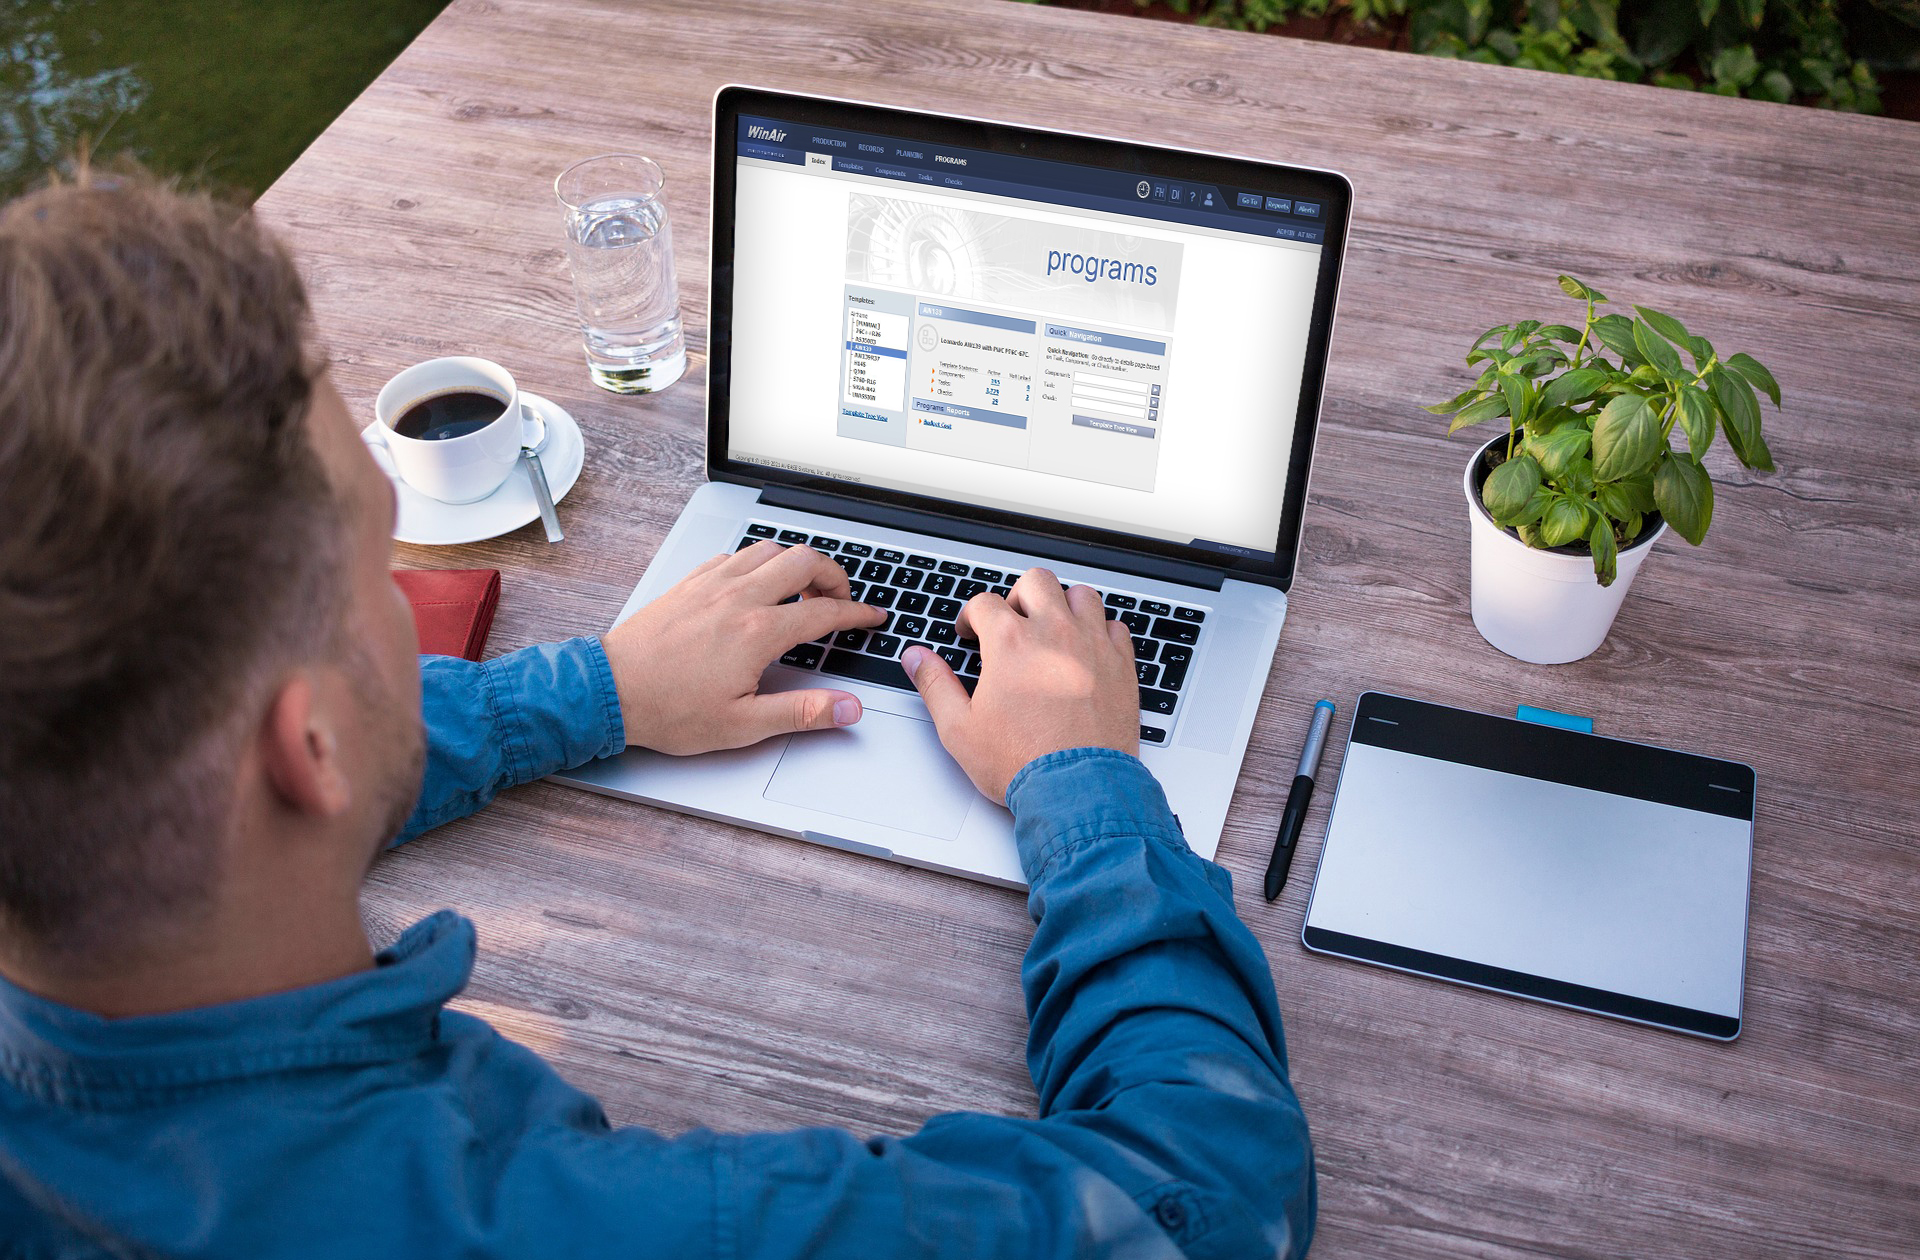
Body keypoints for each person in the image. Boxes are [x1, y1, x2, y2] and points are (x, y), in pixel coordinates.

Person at [0, 166, 1314, 1257]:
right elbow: (1207, 1198)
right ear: (310, 749)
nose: (411, 612)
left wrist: (603, 688)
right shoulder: (600, 1230)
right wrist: (1085, 784)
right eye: (383, 578)